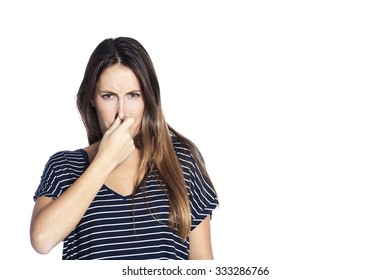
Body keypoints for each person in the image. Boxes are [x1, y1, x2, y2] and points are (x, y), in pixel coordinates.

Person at [30, 37, 218, 260]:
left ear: (148, 98)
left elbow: (203, 266)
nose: (122, 112)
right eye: (108, 96)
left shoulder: (181, 161)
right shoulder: (65, 166)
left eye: (133, 95)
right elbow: (41, 240)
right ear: (92, 98)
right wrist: (106, 158)